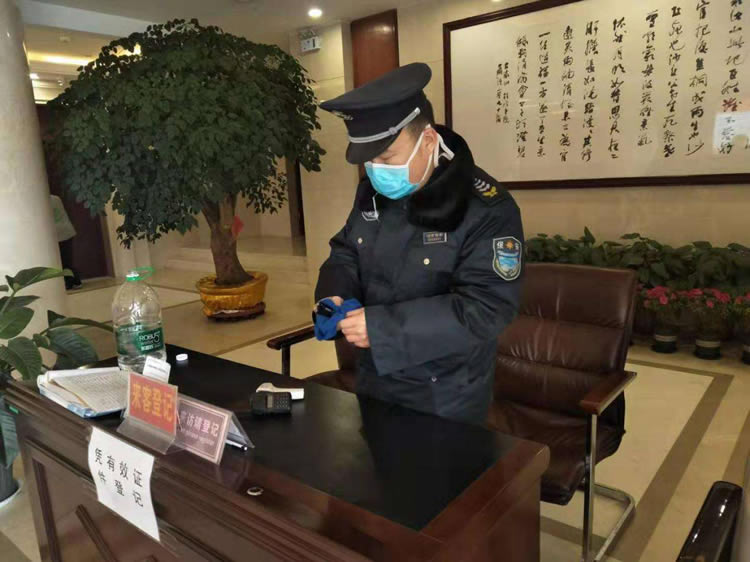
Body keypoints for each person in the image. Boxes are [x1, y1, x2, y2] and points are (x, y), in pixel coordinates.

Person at [315, 63, 524, 425]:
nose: (376, 170)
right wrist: (334, 294)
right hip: (373, 375)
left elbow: (487, 306)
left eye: (386, 158)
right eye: (368, 161)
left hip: (444, 393)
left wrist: (382, 328)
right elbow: (346, 251)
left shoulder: (485, 209)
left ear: (428, 141)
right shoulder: (374, 193)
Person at [50, 194, 82, 290]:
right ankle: (73, 282)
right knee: (66, 260)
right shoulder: (56, 198)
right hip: (66, 231)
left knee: (64, 261)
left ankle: (73, 282)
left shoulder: (45, 201)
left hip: (59, 233)